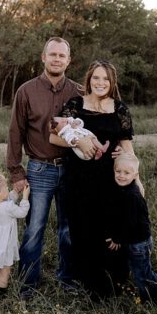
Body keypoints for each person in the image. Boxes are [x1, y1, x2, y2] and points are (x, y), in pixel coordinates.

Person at [7, 37, 87, 296]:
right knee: (34, 229)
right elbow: (15, 132)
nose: (57, 59)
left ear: (68, 61)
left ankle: (68, 280)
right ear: (43, 57)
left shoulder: (79, 92)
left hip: (72, 170)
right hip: (39, 170)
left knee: (69, 229)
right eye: (52, 54)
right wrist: (16, 172)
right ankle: (28, 285)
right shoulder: (26, 91)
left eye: (62, 56)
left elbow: (91, 128)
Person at [56, 60, 135, 298]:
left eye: (106, 79)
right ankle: (91, 287)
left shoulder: (120, 109)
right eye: (96, 78)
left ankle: (114, 285)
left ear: (112, 82)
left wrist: (136, 178)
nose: (101, 83)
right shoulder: (75, 105)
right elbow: (53, 136)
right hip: (79, 181)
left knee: (111, 229)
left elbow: (128, 148)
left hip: (111, 181)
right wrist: (77, 141)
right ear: (89, 79)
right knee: (83, 231)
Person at [105, 153, 157, 303]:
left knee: (143, 275)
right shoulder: (123, 189)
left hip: (139, 243)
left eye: (126, 173)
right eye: (118, 171)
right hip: (134, 240)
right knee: (141, 272)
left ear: (135, 175)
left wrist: (117, 239)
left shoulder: (132, 195)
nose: (121, 175)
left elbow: (129, 223)